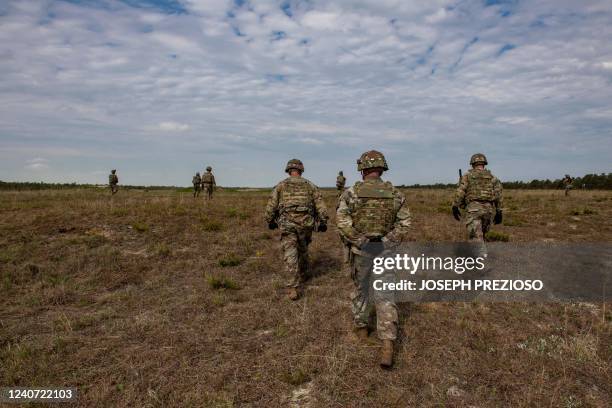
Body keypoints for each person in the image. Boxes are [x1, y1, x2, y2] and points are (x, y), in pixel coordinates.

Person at [336, 150, 412, 368]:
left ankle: (361, 327)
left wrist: (360, 241)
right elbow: (405, 223)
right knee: (385, 295)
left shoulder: (351, 193)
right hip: (385, 252)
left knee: (361, 289)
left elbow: (342, 221)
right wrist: (386, 242)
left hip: (362, 252)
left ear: (363, 169)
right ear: (382, 168)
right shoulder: (395, 194)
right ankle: (387, 344)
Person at [264, 159, 329, 301]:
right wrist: (323, 221)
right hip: (306, 224)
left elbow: (271, 206)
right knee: (303, 248)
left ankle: (293, 287)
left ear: (288, 170)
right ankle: (305, 274)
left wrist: (270, 221)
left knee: (290, 253)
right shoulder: (310, 186)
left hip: (287, 225)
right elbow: (321, 206)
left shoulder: (281, 186)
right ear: (301, 170)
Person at [452, 153, 503, 242]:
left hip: (473, 210)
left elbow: (460, 191)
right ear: (484, 163)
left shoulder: (467, 176)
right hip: (488, 211)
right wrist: (499, 211)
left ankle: (480, 255)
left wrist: (455, 206)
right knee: (482, 236)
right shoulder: (492, 177)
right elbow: (498, 195)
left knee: (476, 239)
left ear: (472, 164)